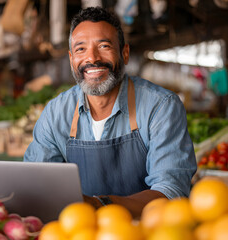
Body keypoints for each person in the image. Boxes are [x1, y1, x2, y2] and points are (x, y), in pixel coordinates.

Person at [24, 6, 197, 218]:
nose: (92, 58)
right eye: (80, 49)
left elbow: (172, 193)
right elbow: (36, 184)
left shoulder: (161, 106)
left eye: (104, 46)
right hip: (80, 231)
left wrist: (99, 205)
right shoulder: (56, 113)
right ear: (71, 59)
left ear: (124, 53)